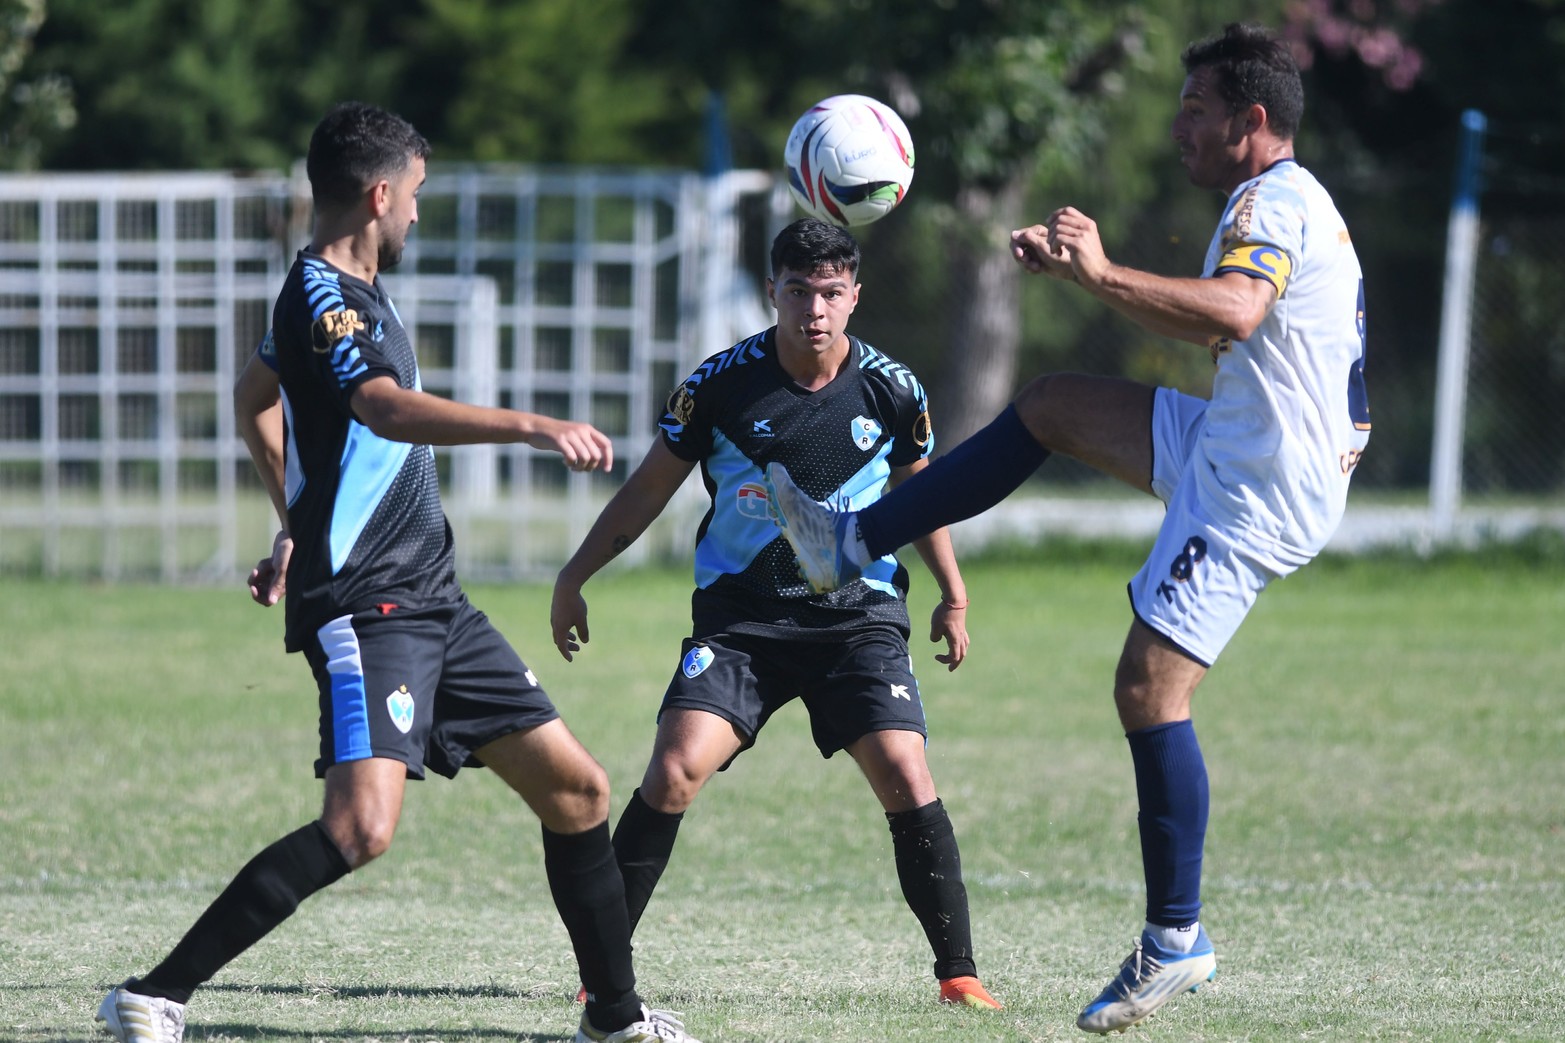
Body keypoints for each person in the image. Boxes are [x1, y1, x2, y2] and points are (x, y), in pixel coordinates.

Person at [764, 23, 1369, 1035]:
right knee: (1048, 401)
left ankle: (1175, 935)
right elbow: (1228, 321)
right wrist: (1075, 269)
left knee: (1146, 686)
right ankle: (847, 543)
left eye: (1193, 108)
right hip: (1240, 437)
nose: (1179, 125)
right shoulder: (1273, 198)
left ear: (1248, 121)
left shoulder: (1270, 201)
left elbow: (1229, 314)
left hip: (1258, 479)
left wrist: (1093, 275)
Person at [95, 101, 701, 1043]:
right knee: (358, 829)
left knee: (577, 790)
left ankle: (615, 1021)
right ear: (380, 194)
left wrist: (294, 516)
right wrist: (532, 425)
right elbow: (382, 406)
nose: (418, 212)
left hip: (433, 601)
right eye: (415, 195)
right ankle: (152, 993)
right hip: (368, 607)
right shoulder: (327, 300)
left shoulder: (344, 296)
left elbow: (255, 396)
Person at [549, 217, 1003, 1012]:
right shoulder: (720, 386)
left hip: (857, 620)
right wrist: (576, 572)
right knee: (673, 769)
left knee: (904, 769)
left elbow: (918, 490)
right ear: (773, 292)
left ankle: (958, 975)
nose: (814, 310)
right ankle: (600, 971)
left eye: (830, 292)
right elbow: (648, 490)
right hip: (742, 624)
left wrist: (952, 592)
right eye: (798, 291)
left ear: (855, 296)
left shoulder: (892, 389)